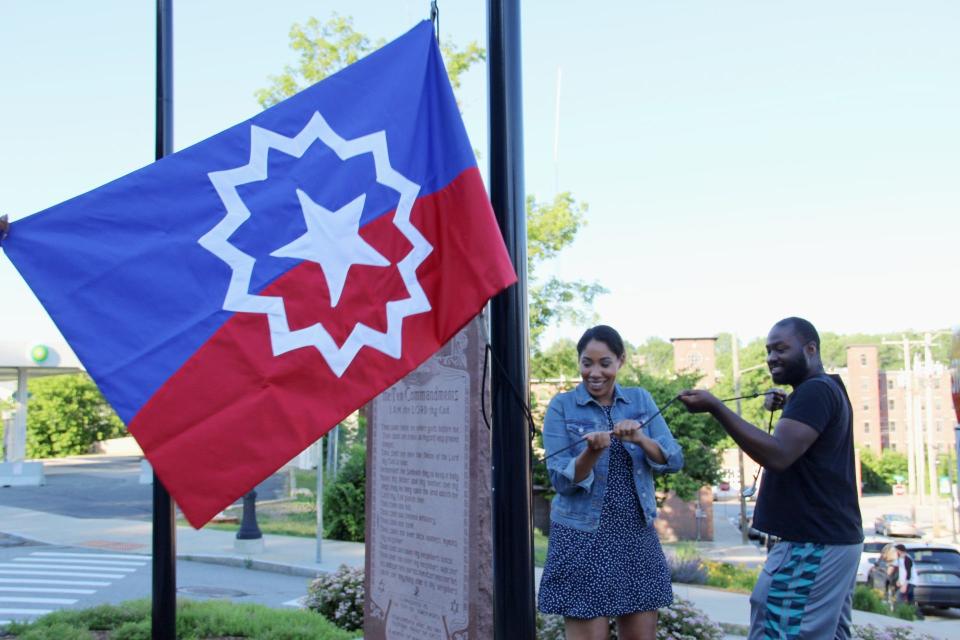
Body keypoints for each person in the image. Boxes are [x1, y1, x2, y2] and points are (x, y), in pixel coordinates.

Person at [678, 317, 863, 640]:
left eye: (781, 348)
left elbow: (779, 455)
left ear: (810, 349)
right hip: (832, 540)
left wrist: (716, 407)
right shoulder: (825, 388)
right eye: (768, 351)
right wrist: (790, 403)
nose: (771, 357)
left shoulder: (815, 391)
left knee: (776, 626)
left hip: (813, 542)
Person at [538, 325, 684, 640]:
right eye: (586, 362)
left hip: (636, 536)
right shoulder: (561, 406)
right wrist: (591, 452)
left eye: (604, 363)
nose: (594, 372)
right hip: (581, 538)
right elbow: (561, 482)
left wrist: (642, 438)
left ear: (620, 361)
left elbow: (673, 460)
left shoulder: (640, 400)